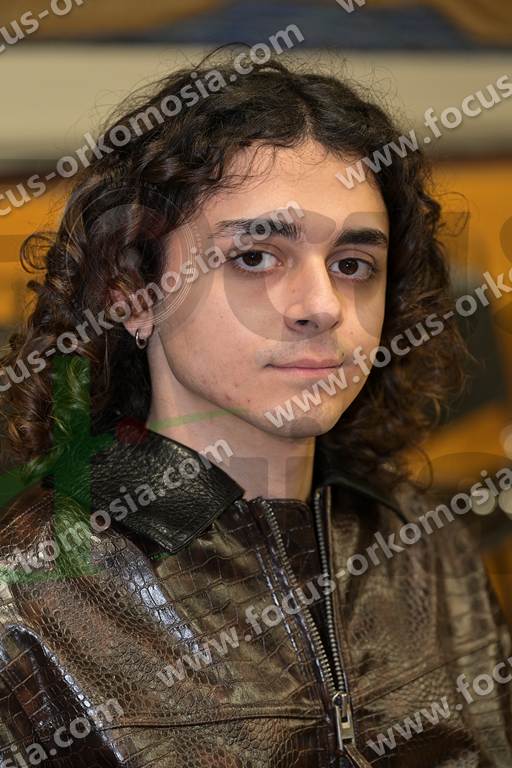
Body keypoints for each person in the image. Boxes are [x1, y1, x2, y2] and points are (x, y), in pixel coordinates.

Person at [0, 51, 511, 768]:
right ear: (132, 295)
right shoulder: (26, 592)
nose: (322, 306)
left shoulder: (429, 550)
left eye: (352, 265)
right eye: (255, 257)